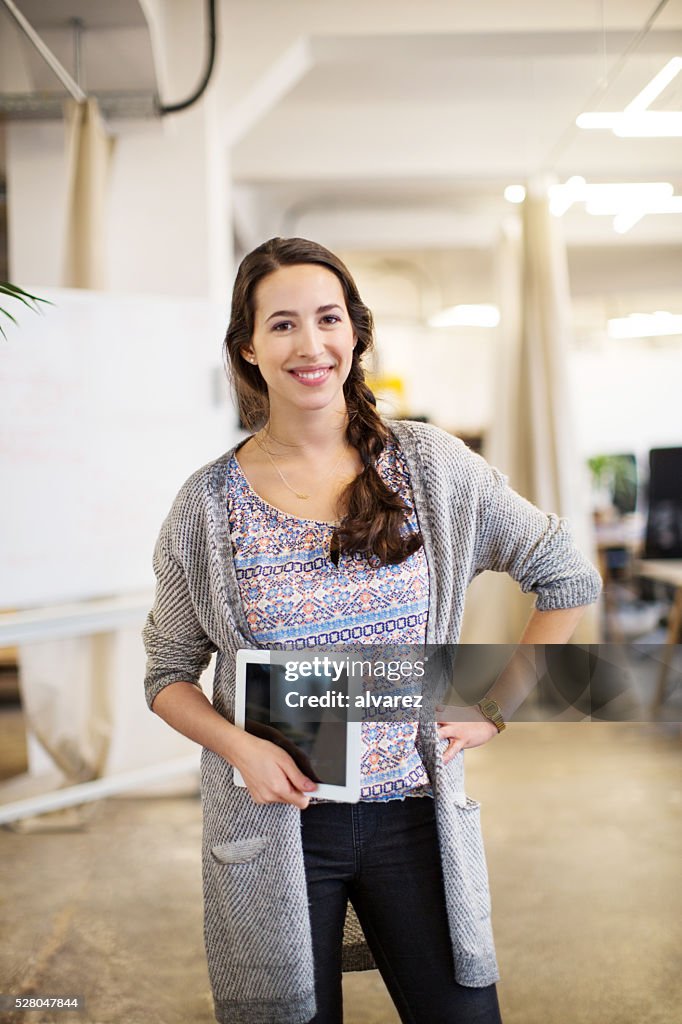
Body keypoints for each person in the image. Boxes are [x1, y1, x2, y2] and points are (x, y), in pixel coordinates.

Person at [142, 237, 603, 1024]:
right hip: (278, 828)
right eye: (282, 325)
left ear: (356, 333)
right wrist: (240, 748)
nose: (310, 344)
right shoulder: (207, 505)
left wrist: (492, 702)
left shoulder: (429, 467)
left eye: (328, 319)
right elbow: (167, 674)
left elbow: (567, 576)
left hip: (415, 815)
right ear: (248, 348)